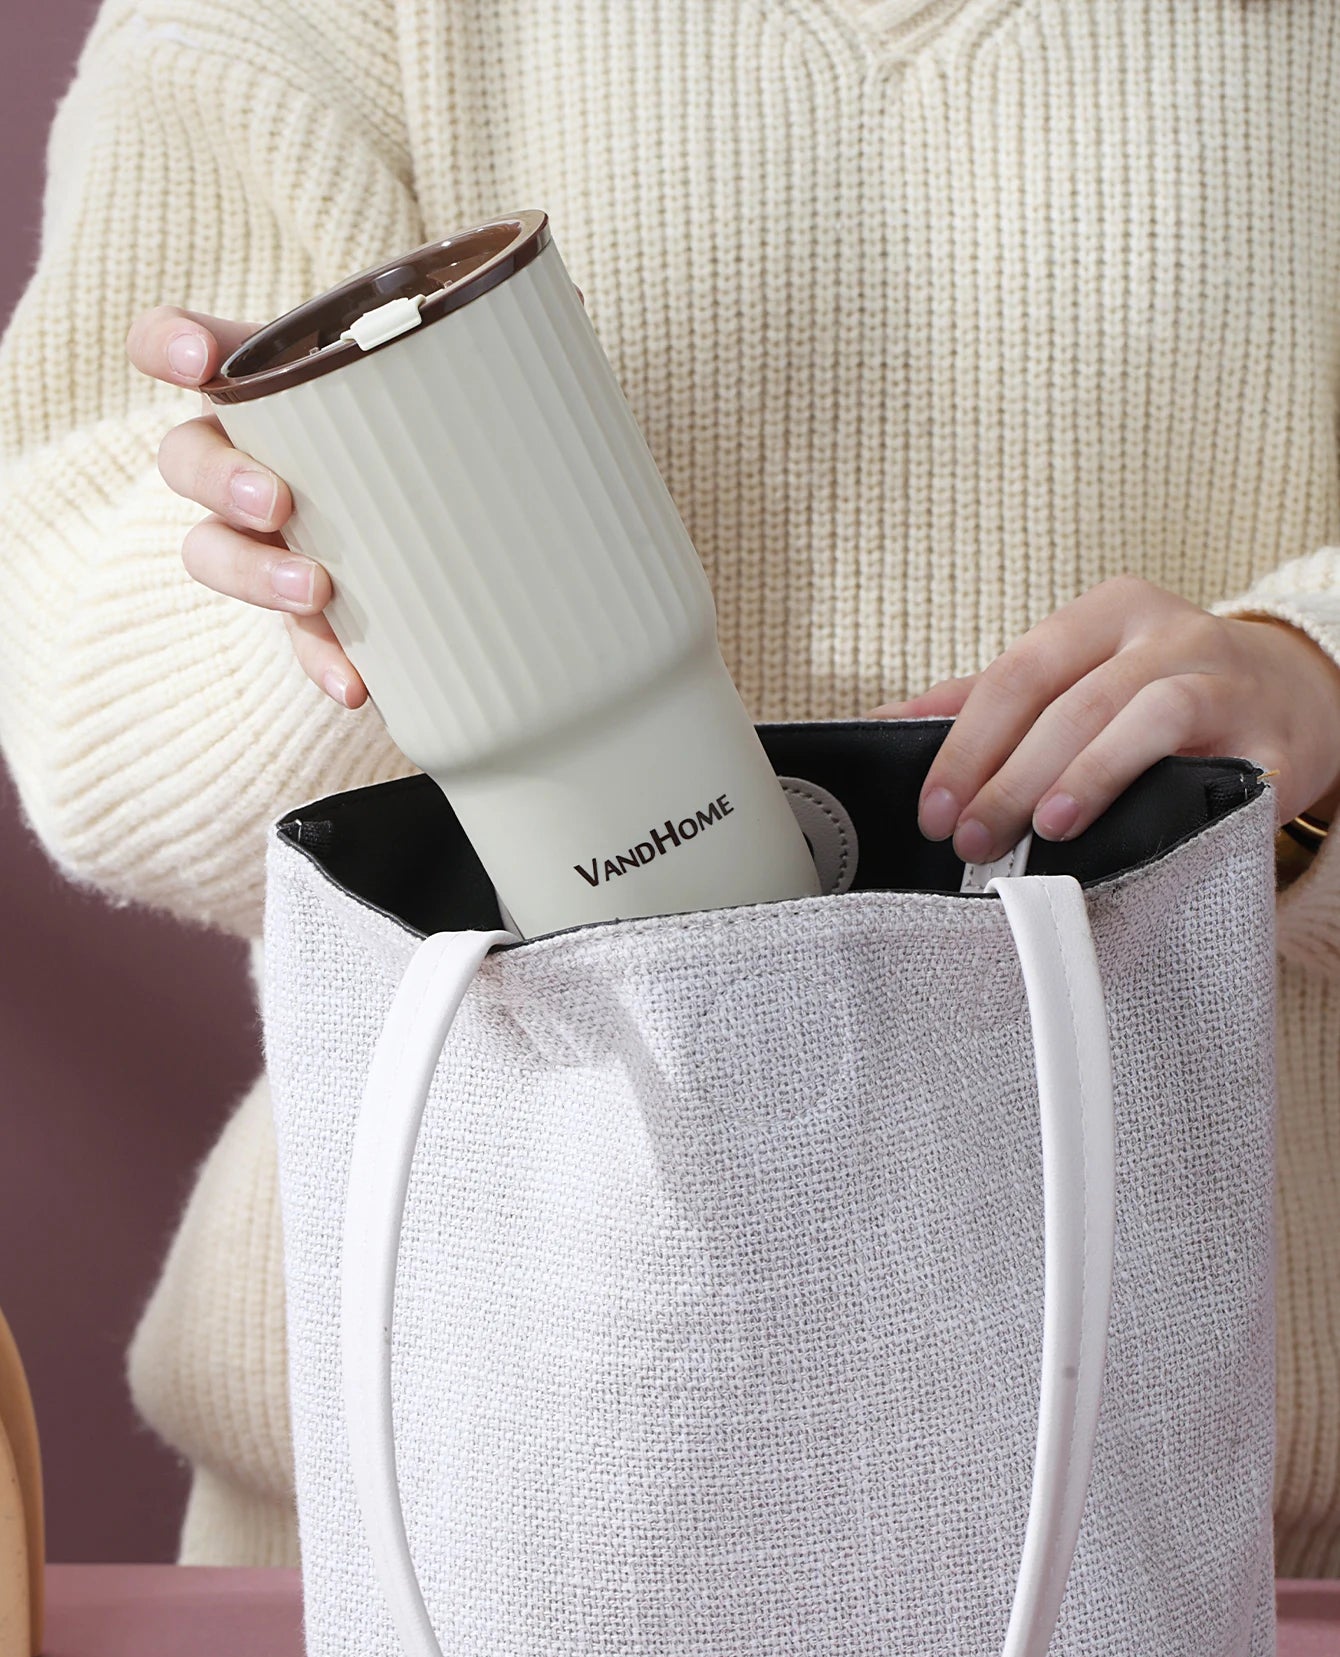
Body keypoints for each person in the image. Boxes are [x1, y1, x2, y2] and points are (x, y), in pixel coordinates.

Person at [2, 0, 1339, 1574]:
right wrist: (348, 591)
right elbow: (80, 703)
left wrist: (1309, 678)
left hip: (1205, 1551)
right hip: (446, 1546)